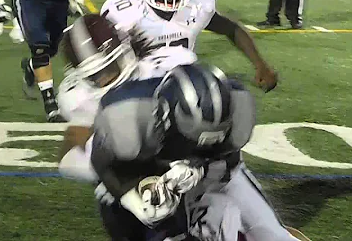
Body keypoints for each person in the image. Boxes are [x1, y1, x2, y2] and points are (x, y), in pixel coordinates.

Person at [57, 14, 307, 240]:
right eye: (95, 76)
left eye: (109, 68)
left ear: (125, 50)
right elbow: (73, 156)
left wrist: (197, 165)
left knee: (270, 233)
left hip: (206, 163)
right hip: (143, 179)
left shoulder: (167, 63)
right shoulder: (81, 99)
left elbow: (210, 111)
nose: (105, 79)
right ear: (79, 76)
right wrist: (133, 191)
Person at [99, 0, 277, 91]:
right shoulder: (123, 12)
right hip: (136, 91)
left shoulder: (197, 5)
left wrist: (260, 64)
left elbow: (232, 29)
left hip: (182, 89)